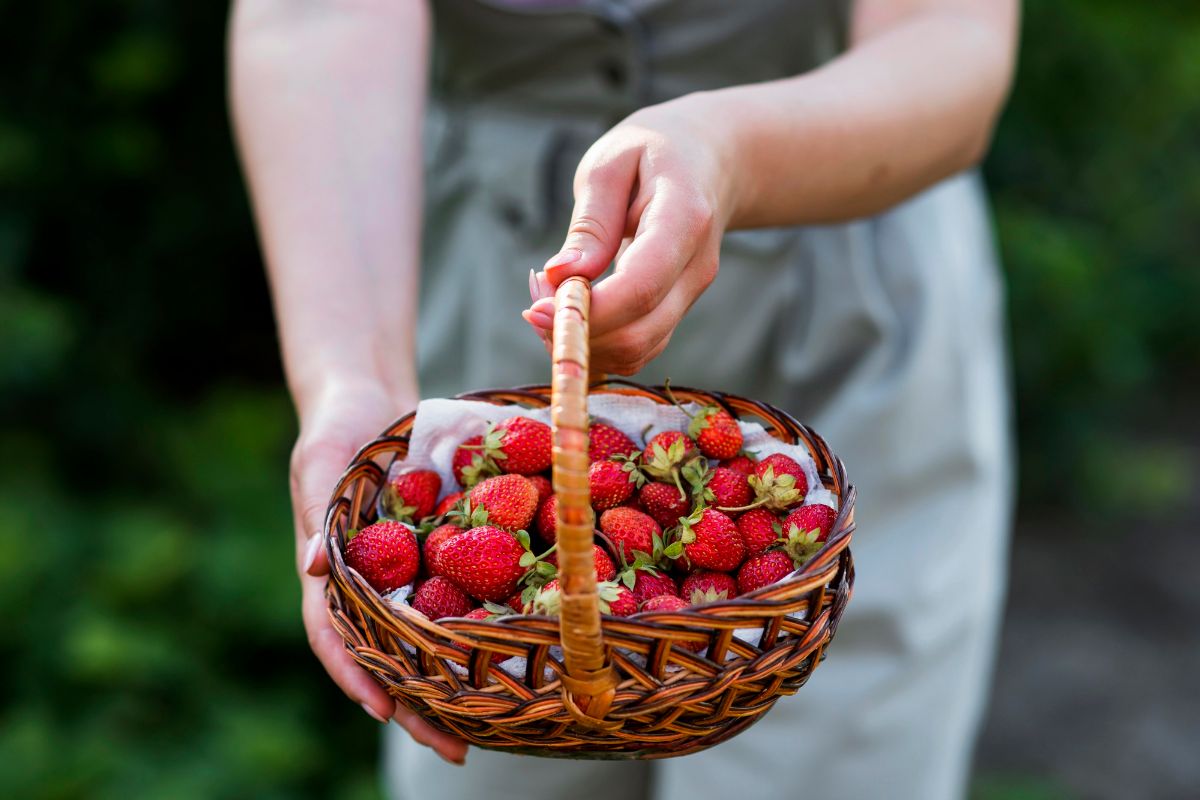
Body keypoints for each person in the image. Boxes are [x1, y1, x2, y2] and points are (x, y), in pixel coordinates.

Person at [230, 1, 1019, 798]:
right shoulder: (472, 453)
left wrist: (732, 151)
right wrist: (353, 381)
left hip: (847, 261)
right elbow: (313, 17)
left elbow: (951, 38)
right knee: (499, 724)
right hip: (501, 305)